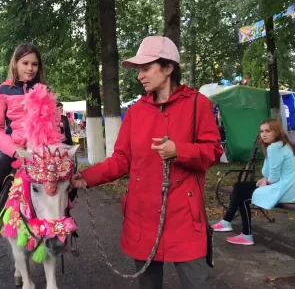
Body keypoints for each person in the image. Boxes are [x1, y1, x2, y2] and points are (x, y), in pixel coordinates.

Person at [71, 36, 223, 289]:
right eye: (138, 70)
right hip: (142, 214)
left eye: (146, 68)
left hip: (184, 216)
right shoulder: (136, 112)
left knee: (198, 284)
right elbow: (122, 159)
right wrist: (87, 177)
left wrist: (180, 150)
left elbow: (213, 151)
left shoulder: (198, 104)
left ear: (168, 68)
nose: (140, 75)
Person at [0, 43, 46, 232]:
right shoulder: (2, 91)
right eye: (25, 63)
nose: (30, 68)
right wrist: (15, 151)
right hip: (15, 151)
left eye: (34, 64)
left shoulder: (42, 89)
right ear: (15, 63)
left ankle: (64, 226)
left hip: (41, 149)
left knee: (64, 184)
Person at [212, 118, 295, 245]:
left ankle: (243, 233)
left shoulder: (274, 148)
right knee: (240, 187)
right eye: (261, 131)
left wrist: (266, 180)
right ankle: (227, 223)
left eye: (268, 131)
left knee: (241, 194)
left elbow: (273, 178)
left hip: (284, 190)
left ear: (277, 132)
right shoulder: (282, 145)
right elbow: (267, 174)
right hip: (291, 189)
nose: (264, 134)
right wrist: (266, 178)